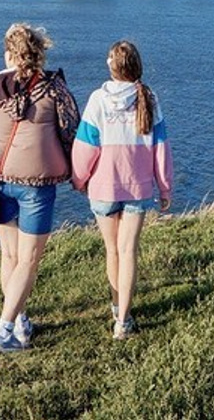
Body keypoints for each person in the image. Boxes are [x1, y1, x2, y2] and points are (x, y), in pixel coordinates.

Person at [0, 22, 80, 354]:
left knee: (10, 256)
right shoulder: (54, 88)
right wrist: (77, 171)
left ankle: (20, 323)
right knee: (28, 261)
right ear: (39, 53)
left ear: (8, 54)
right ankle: (3, 333)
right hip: (38, 185)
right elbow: (71, 130)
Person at [72, 39, 173, 340]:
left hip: (102, 187)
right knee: (129, 251)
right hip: (138, 188)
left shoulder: (97, 100)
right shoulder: (149, 98)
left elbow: (85, 146)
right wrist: (165, 187)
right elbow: (161, 147)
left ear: (112, 67)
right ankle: (123, 322)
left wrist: (79, 179)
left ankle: (117, 307)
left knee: (112, 250)